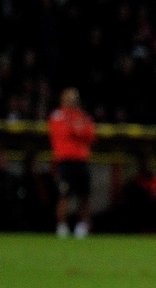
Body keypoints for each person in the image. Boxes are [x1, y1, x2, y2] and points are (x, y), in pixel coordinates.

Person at [48, 87, 97, 239]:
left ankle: (81, 226)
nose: (71, 100)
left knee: (85, 196)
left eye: (74, 97)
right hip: (65, 161)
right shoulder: (57, 115)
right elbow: (62, 133)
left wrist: (77, 131)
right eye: (69, 97)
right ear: (62, 99)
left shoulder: (83, 116)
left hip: (82, 161)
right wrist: (77, 130)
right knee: (63, 195)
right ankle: (62, 226)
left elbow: (91, 135)